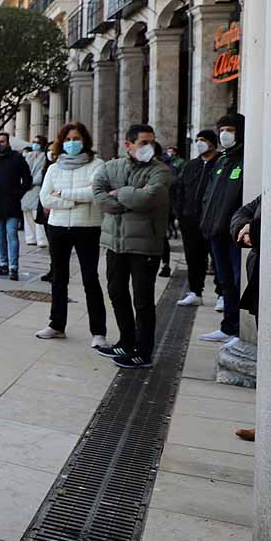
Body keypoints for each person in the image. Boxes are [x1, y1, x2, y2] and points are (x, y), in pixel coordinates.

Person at [92, 124, 172, 368]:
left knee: (143, 300)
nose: (149, 147)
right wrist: (129, 199)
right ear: (128, 145)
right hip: (115, 243)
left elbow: (150, 198)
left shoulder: (160, 170)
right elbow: (98, 193)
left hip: (145, 245)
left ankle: (143, 351)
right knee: (117, 292)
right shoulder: (111, 166)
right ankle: (126, 341)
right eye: (143, 143)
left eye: (152, 142)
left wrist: (120, 193)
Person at [35, 123, 108, 346]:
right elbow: (45, 199)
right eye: (67, 139)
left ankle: (98, 332)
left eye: (76, 138)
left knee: (90, 279)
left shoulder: (98, 165)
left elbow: (95, 194)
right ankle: (57, 324)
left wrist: (64, 194)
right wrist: (76, 199)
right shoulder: (54, 167)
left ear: (84, 140)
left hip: (87, 228)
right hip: (57, 228)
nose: (72, 143)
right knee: (59, 278)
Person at [198, 113, 246, 344]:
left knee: (238, 280)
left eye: (230, 129)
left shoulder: (245, 159)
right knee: (225, 281)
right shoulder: (222, 160)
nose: (225, 134)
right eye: (222, 129)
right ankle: (228, 326)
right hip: (216, 231)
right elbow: (209, 195)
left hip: (234, 233)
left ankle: (239, 329)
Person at [174, 129, 222, 308]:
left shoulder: (220, 163)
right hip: (190, 221)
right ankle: (195, 291)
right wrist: (180, 212)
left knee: (217, 258)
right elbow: (180, 189)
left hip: (212, 220)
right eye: (197, 140)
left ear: (212, 142)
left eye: (203, 140)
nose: (199, 143)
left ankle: (221, 295)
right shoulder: (191, 165)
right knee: (193, 257)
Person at [0, 132, 33, 281]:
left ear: (8, 143)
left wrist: (19, 193)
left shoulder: (17, 158)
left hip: (12, 203)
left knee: (12, 234)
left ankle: (13, 267)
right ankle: (3, 264)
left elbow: (27, 179)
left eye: (2, 141)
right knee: (0, 235)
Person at [231, 194, 260, 441]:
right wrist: (244, 227)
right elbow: (243, 211)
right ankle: (268, 423)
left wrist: (256, 228)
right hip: (263, 282)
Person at [21, 136, 48, 247]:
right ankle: (30, 237)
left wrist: (30, 182)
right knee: (27, 214)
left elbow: (41, 173)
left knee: (37, 215)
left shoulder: (44, 157)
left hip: (36, 188)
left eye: (38, 142)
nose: (35, 144)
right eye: (34, 142)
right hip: (26, 189)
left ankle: (41, 239)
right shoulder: (28, 155)